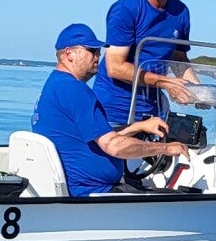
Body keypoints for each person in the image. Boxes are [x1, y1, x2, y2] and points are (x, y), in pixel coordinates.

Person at [32, 24, 193, 198]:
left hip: (81, 187)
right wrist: (166, 148)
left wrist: (138, 127)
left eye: (98, 51)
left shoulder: (54, 85)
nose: (98, 56)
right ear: (69, 53)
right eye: (91, 50)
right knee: (180, 198)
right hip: (92, 192)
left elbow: (95, 134)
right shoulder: (75, 90)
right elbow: (114, 146)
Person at [95, 0, 194, 129]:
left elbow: (179, 59)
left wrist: (198, 90)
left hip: (153, 110)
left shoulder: (181, 12)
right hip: (116, 109)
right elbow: (115, 67)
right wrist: (166, 83)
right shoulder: (125, 10)